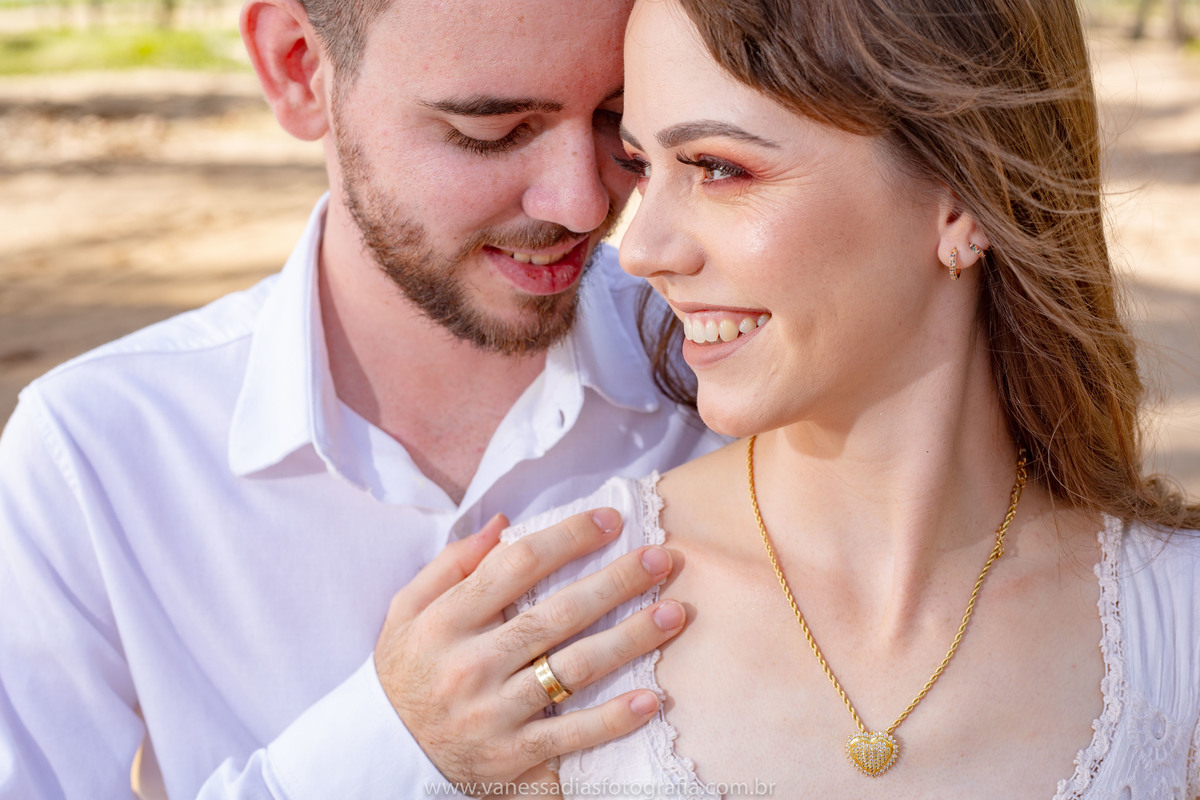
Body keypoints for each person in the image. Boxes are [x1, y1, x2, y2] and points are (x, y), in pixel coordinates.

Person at [0, 0, 725, 797]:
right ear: (298, 68)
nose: (583, 204)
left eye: (618, 123)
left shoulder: (737, 379)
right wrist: (397, 747)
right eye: (494, 131)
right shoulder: (89, 455)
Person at [505, 0, 1200, 796]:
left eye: (719, 167)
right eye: (641, 165)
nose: (641, 251)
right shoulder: (563, 616)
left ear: (963, 197)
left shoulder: (1177, 634)